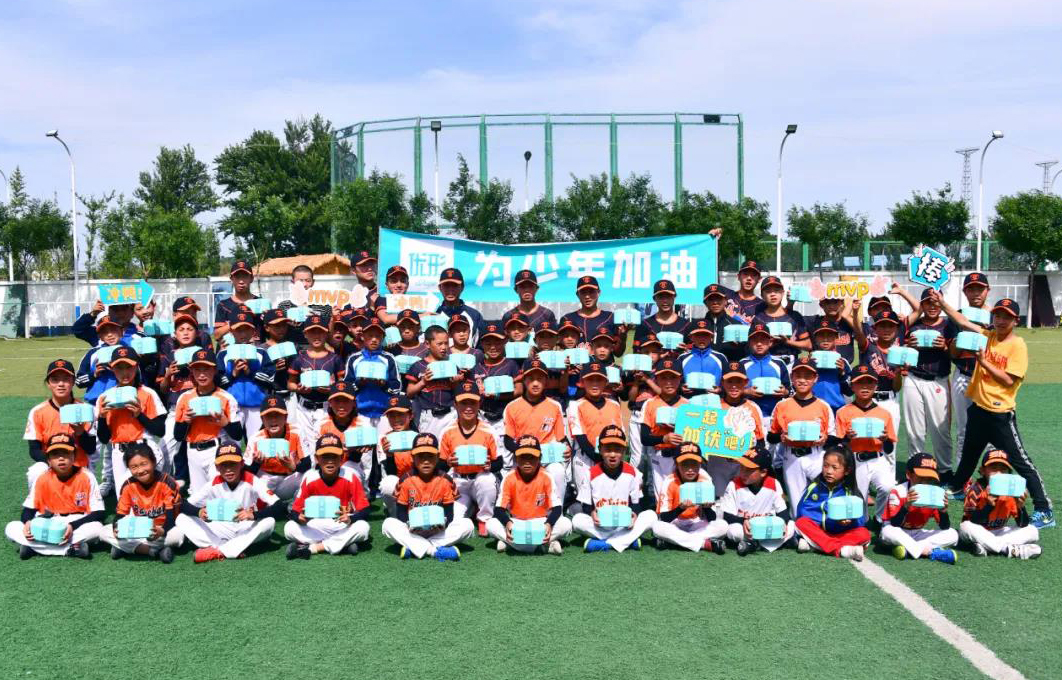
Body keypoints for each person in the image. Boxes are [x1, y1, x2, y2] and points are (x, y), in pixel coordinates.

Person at [945, 298, 1053, 528]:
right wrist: (941, 302)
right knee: (969, 454)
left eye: (1006, 317)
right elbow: (962, 321)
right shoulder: (988, 335)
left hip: (1000, 415)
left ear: (1015, 320)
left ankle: (1044, 509)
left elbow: (1008, 380)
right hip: (979, 409)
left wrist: (984, 363)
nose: (1001, 320)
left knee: (1020, 462)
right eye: (998, 315)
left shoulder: (1018, 345)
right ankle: (956, 487)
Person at [176, 443, 284, 563]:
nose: (228, 469)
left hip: (246, 527)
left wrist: (254, 515)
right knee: (181, 518)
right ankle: (226, 548)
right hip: (222, 528)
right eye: (223, 465)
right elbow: (182, 504)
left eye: (232, 464)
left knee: (269, 522)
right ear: (217, 467)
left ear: (242, 464)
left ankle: (218, 551)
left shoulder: (252, 480)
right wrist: (199, 512)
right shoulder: (213, 483)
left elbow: (280, 507)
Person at [5, 433, 104, 559]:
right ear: (48, 459)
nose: (61, 458)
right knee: (12, 527)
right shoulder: (42, 478)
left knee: (97, 528)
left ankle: (33, 547)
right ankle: (70, 549)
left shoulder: (86, 476)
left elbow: (99, 513)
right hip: (47, 522)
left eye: (66, 453)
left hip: (75, 523)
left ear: (74, 456)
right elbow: (28, 510)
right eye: (55, 454)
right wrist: (27, 523)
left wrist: (72, 526)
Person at [382, 433, 473, 561]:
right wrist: (410, 525)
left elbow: (449, 513)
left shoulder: (446, 480)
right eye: (420, 456)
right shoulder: (405, 479)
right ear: (413, 457)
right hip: (413, 530)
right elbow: (401, 513)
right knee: (388, 524)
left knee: (467, 525)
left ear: (437, 457)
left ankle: (414, 547)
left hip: (438, 530)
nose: (425, 461)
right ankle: (434, 550)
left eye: (430, 456)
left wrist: (444, 524)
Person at [896, 287, 957, 478]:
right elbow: (898, 344)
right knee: (915, 429)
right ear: (922, 305)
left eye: (936, 302)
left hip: (938, 380)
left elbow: (956, 355)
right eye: (928, 302)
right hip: (913, 378)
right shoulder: (913, 323)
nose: (932, 306)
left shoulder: (948, 325)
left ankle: (945, 470)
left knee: (940, 429)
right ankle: (915, 469)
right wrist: (908, 346)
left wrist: (945, 347)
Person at [284, 434, 372, 558]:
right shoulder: (310, 477)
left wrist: (351, 520)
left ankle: (312, 548)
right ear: (317, 458)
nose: (330, 461)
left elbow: (365, 510)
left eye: (334, 456)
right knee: (289, 528)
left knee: (363, 527)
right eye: (325, 456)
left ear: (341, 458)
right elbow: (294, 510)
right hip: (316, 524)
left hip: (340, 524)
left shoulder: (350, 475)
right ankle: (343, 545)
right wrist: (300, 518)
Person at [571, 426, 656, 553]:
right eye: (607, 449)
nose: (612, 454)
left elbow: (636, 504)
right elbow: (587, 506)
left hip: (624, 525)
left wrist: (634, 515)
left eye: (617, 450)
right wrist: (592, 514)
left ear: (624, 451)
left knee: (651, 516)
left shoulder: (633, 472)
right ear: (599, 449)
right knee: (577, 520)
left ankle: (605, 544)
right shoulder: (590, 473)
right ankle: (627, 541)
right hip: (601, 525)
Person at [768, 356, 835, 513]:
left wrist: (825, 439)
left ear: (815, 378)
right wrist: (781, 437)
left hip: (817, 456)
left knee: (825, 498)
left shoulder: (824, 406)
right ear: (792, 378)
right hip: (792, 457)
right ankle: (799, 528)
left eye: (808, 376)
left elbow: (834, 437)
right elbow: (770, 436)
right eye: (798, 376)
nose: (803, 380)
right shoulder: (782, 405)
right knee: (797, 504)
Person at [485, 434, 572, 555]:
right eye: (522, 457)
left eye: (531, 457)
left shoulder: (546, 477)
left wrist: (549, 524)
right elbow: (499, 509)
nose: (527, 462)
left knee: (566, 524)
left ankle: (511, 544)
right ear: (516, 458)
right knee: (490, 524)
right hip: (517, 523)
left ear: (539, 458)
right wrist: (508, 523)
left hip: (540, 523)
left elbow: (557, 508)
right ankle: (543, 546)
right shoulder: (509, 477)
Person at [94, 346, 167, 490]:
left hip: (144, 449)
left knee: (141, 494)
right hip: (118, 452)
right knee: (124, 498)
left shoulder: (148, 393)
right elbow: (104, 438)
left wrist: (139, 415)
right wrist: (102, 418)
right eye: (119, 368)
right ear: (112, 369)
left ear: (136, 367)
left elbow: (160, 430)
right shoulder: (105, 397)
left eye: (129, 367)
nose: (124, 372)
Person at [172, 349, 243, 494]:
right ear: (191, 371)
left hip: (216, 449)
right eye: (197, 370)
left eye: (206, 369)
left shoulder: (226, 397)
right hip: (192, 451)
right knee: (199, 497)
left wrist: (225, 423)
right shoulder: (185, 398)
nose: (202, 374)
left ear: (215, 370)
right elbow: (178, 436)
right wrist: (186, 421)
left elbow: (238, 434)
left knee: (218, 492)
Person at [99, 443, 183, 563]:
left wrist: (162, 531)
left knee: (178, 535)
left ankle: (124, 548)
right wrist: (116, 528)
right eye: (134, 467)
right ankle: (152, 551)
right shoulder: (128, 486)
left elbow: (171, 517)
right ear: (128, 469)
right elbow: (119, 516)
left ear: (153, 462)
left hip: (162, 529)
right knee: (103, 532)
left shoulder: (167, 482)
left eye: (144, 464)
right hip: (138, 530)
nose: (140, 470)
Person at [438, 382, 503, 536]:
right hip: (459, 481)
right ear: (455, 405)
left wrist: (490, 465)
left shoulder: (489, 430)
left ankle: (484, 518)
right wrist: (448, 463)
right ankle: (472, 508)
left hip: (480, 478)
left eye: (472, 403)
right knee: (453, 520)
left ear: (479, 404)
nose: (468, 407)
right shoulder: (447, 431)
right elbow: (440, 465)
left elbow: (499, 462)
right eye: (463, 403)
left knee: (487, 480)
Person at [24, 359, 96, 492]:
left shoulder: (86, 410)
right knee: (36, 471)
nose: (61, 384)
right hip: (50, 465)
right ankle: (39, 502)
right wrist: (54, 463)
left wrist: (80, 432)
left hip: (79, 466)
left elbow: (91, 449)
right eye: (55, 380)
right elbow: (34, 450)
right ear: (48, 383)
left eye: (66, 379)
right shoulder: (37, 412)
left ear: (73, 382)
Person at [502, 359, 571, 495]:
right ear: (524, 380)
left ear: (546, 381)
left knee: (557, 471)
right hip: (523, 457)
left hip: (547, 457)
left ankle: (557, 506)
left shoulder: (554, 406)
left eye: (540, 379)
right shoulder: (512, 407)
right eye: (531, 379)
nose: (535, 383)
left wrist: (567, 447)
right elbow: (508, 440)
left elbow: (561, 437)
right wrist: (524, 451)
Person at [836, 364, 897, 512]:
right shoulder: (843, 412)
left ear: (876, 386)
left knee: (888, 487)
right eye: (859, 382)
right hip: (854, 460)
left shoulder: (884, 413)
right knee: (858, 501)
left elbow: (889, 449)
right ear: (852, 386)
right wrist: (847, 438)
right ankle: (862, 520)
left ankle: (879, 518)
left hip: (878, 458)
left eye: (869, 382)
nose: (865, 387)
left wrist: (885, 440)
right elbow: (838, 446)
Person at [959, 449, 1041, 559]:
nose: (998, 473)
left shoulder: (1011, 491)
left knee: (1032, 530)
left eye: (1003, 469)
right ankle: (1008, 549)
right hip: (977, 532)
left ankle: (987, 547)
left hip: (998, 532)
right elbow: (973, 521)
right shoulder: (976, 490)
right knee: (966, 526)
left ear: (1008, 473)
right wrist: (988, 505)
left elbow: (1022, 524)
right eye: (993, 468)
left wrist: (1021, 507)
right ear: (982, 471)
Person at [794, 446, 870, 561]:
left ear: (847, 471)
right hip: (819, 532)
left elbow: (861, 521)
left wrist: (849, 522)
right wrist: (825, 517)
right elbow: (801, 512)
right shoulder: (814, 487)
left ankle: (815, 545)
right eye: (825, 465)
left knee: (864, 534)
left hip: (841, 534)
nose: (829, 471)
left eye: (835, 468)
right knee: (801, 523)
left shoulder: (851, 493)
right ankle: (842, 550)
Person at [878, 453, 958, 564]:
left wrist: (943, 512)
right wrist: (906, 505)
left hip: (917, 533)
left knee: (952, 534)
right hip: (897, 531)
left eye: (929, 478)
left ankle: (909, 549)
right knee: (888, 531)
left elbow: (944, 526)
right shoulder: (898, 491)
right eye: (921, 477)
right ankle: (929, 552)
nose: (925, 481)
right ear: (908, 474)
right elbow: (894, 524)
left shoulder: (933, 493)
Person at [651, 442, 727, 553]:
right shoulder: (670, 481)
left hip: (697, 524)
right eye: (685, 464)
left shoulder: (705, 480)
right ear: (677, 464)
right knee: (657, 527)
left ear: (700, 464)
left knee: (722, 526)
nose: (690, 469)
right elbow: (663, 518)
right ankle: (703, 544)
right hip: (675, 523)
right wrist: (680, 508)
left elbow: (712, 518)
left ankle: (676, 542)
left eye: (694, 464)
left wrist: (706, 508)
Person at [717, 446, 795, 555]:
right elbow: (726, 516)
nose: (743, 473)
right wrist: (743, 521)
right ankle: (769, 544)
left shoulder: (774, 484)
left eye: (748, 470)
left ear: (763, 472)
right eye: (742, 467)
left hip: (766, 528)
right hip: (745, 528)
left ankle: (753, 545)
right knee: (734, 531)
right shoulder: (733, 485)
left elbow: (783, 513)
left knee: (791, 525)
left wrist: (783, 524)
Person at [567, 362, 624, 506]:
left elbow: (620, 435)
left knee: (610, 501)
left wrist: (609, 459)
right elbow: (581, 438)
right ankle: (573, 505)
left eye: (599, 380)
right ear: (581, 382)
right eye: (590, 380)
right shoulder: (575, 405)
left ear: (606, 382)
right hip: (585, 458)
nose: (594, 384)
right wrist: (601, 460)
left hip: (610, 456)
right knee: (588, 503)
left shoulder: (614, 405)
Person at [946, 272, 990, 458]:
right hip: (963, 375)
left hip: (989, 379)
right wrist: (963, 333)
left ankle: (992, 471)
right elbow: (952, 353)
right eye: (971, 289)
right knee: (964, 428)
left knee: (992, 429)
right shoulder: (957, 316)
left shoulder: (997, 316)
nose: (976, 293)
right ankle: (962, 472)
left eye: (980, 288)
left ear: (987, 290)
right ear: (965, 292)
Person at [287, 314, 343, 455]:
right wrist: (298, 389)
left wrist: (332, 389)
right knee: (304, 446)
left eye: (320, 332)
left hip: (326, 407)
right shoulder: (299, 358)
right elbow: (290, 383)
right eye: (312, 332)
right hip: (303, 408)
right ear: (305, 334)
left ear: (327, 333)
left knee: (325, 444)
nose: (316, 336)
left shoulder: (335, 359)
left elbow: (342, 384)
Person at [217, 311, 273, 442]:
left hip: (256, 405)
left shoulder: (261, 353)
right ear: (231, 331)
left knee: (256, 443)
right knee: (231, 444)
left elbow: (271, 378)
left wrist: (250, 372)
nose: (243, 334)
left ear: (253, 331)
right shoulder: (223, 354)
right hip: (231, 405)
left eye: (246, 329)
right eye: (238, 330)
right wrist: (233, 373)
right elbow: (217, 381)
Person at [639, 358, 688, 495]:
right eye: (663, 378)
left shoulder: (688, 405)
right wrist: (664, 439)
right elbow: (644, 438)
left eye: (673, 377)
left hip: (683, 457)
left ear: (680, 379)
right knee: (661, 497)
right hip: (659, 457)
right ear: (656, 380)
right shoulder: (650, 404)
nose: (668, 382)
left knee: (681, 496)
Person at [246, 396, 306, 500]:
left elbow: (309, 463)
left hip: (289, 479)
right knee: (247, 485)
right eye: (268, 416)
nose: (273, 420)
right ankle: (264, 504)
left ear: (285, 417)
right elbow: (246, 473)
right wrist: (256, 464)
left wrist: (293, 467)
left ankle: (297, 505)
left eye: (277, 415)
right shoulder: (255, 438)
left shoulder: (297, 431)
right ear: (262, 419)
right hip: (265, 479)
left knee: (309, 475)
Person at [851, 309, 904, 427]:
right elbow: (858, 333)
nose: (886, 329)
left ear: (897, 329)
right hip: (867, 401)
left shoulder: (899, 353)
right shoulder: (868, 347)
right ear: (875, 329)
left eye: (891, 326)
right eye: (882, 326)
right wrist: (855, 312)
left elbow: (897, 388)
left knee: (890, 438)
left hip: (891, 401)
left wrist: (898, 373)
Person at [406, 325, 461, 438]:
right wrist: (423, 382)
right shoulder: (418, 366)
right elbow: (409, 393)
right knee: (429, 447)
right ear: (427, 344)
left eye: (446, 343)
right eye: (439, 344)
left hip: (450, 414)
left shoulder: (452, 365)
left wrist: (455, 383)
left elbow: (458, 393)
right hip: (428, 416)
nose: (444, 347)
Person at [477, 322, 522, 449]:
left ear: (504, 342)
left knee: (504, 453)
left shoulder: (511, 364)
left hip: (504, 416)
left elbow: (519, 390)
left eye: (497, 343)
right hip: (482, 416)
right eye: (488, 343)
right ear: (482, 344)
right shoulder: (477, 367)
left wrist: (497, 395)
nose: (493, 347)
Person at [753, 275, 810, 368]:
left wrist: (788, 342)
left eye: (776, 290)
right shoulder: (758, 319)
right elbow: (751, 348)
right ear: (762, 295)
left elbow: (808, 345)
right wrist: (767, 344)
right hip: (768, 364)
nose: (773, 294)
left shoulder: (795, 316)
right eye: (768, 291)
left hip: (791, 365)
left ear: (783, 293)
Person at [740, 322, 791, 421]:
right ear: (749, 342)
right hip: (748, 415)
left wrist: (784, 392)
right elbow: (734, 389)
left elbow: (790, 390)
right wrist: (746, 391)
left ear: (770, 342)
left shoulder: (779, 363)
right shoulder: (742, 364)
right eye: (755, 340)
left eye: (763, 340)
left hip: (774, 415)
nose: (759, 344)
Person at [560, 276, 617, 352]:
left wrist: (623, 336)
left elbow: (618, 353)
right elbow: (561, 349)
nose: (587, 296)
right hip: (575, 360)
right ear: (577, 294)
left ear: (598, 293)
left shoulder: (610, 317)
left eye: (591, 291)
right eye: (583, 292)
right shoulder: (567, 319)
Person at [808, 319, 852, 412]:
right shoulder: (809, 360)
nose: (825, 339)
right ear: (815, 339)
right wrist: (809, 367)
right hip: (813, 408)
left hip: (836, 408)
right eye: (821, 336)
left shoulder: (842, 361)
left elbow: (850, 391)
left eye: (829, 335)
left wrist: (842, 374)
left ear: (836, 338)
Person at [213, 260, 261, 342]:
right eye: (237, 277)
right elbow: (217, 335)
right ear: (231, 279)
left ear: (251, 279)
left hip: (256, 349)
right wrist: (236, 321)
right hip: (230, 349)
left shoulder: (260, 303)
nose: (241, 281)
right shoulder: (223, 305)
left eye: (245, 276)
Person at [436, 267, 485, 345]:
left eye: (454, 285)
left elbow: (481, 346)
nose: (450, 289)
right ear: (440, 288)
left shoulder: (474, 316)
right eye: (446, 285)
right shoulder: (434, 315)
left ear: (462, 287)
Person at [808, 292, 857, 364]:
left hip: (845, 368)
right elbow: (793, 318)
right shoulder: (814, 322)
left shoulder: (848, 322)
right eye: (827, 302)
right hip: (819, 367)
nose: (831, 306)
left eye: (835, 302)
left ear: (842, 303)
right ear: (821, 305)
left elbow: (861, 333)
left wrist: (847, 314)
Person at [701, 283, 743, 363]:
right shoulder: (697, 327)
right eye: (711, 299)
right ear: (705, 302)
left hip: (729, 369)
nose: (715, 302)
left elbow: (745, 352)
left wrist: (740, 346)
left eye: (719, 298)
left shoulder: (736, 325)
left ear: (726, 301)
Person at [72, 299, 141, 347]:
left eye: (124, 309)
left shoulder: (139, 332)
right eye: (115, 309)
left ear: (132, 312)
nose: (120, 313)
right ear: (109, 311)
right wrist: (93, 314)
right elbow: (78, 330)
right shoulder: (100, 332)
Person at [727, 260, 763, 324]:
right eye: (745, 274)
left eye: (753, 275)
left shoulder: (762, 306)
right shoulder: (726, 297)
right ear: (738, 276)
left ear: (759, 279)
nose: (749, 278)